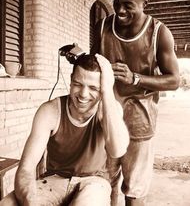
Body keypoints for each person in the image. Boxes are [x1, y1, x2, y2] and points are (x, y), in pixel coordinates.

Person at [91, 0, 180, 206]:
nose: (119, 11)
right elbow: (93, 66)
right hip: (106, 120)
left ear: (145, 3)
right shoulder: (102, 27)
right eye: (116, 3)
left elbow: (174, 80)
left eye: (128, 5)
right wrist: (82, 60)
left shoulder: (159, 33)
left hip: (140, 124)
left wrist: (136, 78)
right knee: (99, 185)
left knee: (134, 192)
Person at [0, 54, 129, 206]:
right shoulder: (50, 111)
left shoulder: (109, 109)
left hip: (94, 183)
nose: (83, 94)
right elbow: (26, 168)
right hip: (55, 180)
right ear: (71, 80)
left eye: (94, 88)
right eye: (78, 84)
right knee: (7, 203)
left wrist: (107, 91)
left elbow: (118, 150)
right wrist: (30, 201)